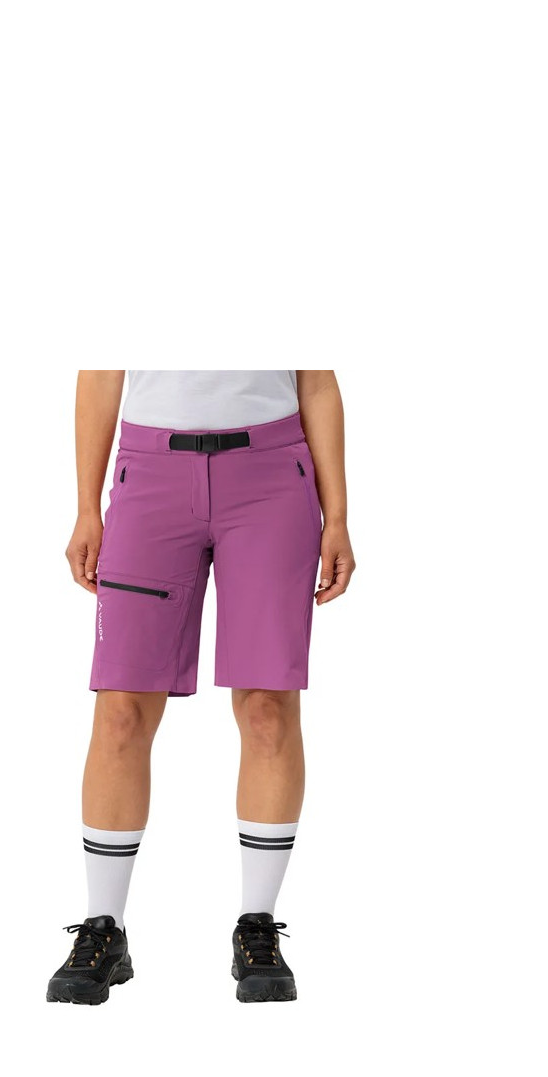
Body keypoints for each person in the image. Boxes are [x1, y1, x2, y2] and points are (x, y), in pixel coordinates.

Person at [47, 371, 355, 1004]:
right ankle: (104, 927)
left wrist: (339, 517)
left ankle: (257, 926)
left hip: (271, 478)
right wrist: (86, 507)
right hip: (150, 475)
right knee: (122, 709)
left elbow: (318, 382)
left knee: (268, 706)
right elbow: (100, 373)